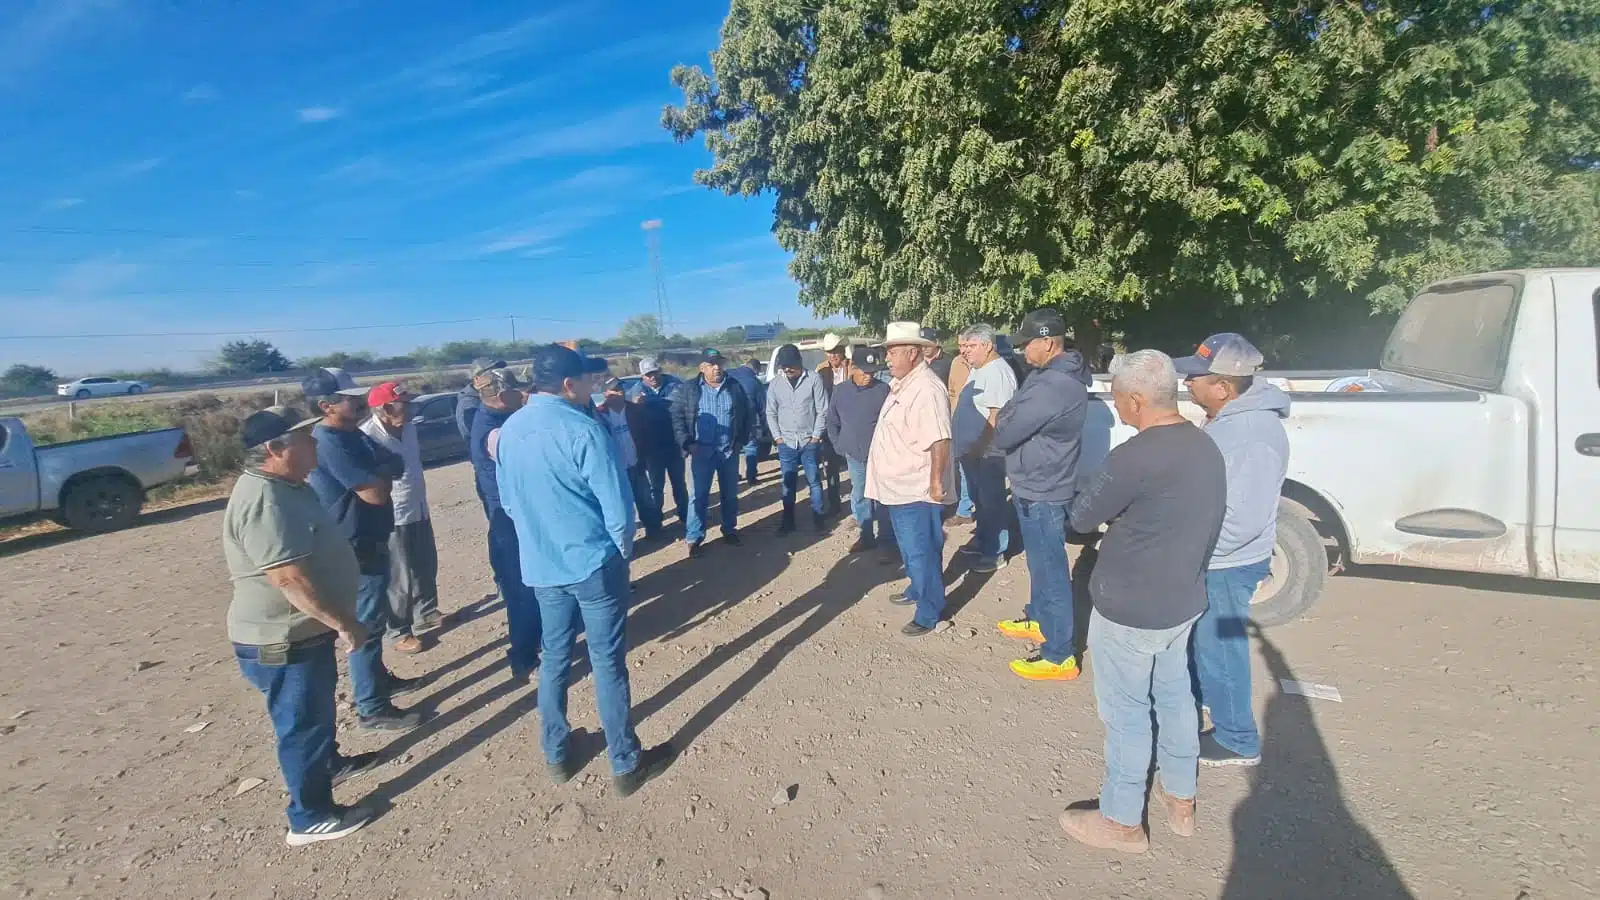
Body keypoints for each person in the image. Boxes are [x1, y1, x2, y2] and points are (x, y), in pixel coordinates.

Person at [1061, 350, 1226, 853]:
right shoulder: (1205, 447)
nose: (1116, 409)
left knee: (1128, 713)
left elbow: (1081, 519)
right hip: (1181, 599)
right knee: (1175, 697)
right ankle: (1181, 799)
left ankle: (1122, 820)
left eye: (1116, 398)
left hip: (1131, 605)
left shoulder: (1134, 456)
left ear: (1136, 398)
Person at [496, 344, 677, 796]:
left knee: (555, 658)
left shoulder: (509, 430)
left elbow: (508, 503)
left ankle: (557, 753)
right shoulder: (582, 428)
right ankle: (625, 762)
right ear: (567, 384)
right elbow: (618, 506)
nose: (593, 386)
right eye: (587, 380)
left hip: (542, 567)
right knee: (607, 663)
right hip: (592, 563)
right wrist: (621, 554)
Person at [224, 406, 381, 846]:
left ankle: (328, 762)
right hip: (281, 639)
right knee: (300, 724)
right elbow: (287, 577)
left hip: (303, 633)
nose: (315, 444)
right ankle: (308, 816)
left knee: (316, 711)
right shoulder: (265, 499)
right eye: (305, 439)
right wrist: (344, 623)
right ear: (275, 449)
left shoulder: (287, 485)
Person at [1174, 333, 1290, 768]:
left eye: (1195, 377)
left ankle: (1237, 739)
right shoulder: (1229, 418)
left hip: (1226, 562)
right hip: (1215, 558)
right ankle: (1208, 705)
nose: (1187, 383)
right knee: (1207, 646)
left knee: (1220, 648)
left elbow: (1242, 518)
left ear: (1222, 386)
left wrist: (1196, 553)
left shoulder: (1252, 435)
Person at [301, 368, 423, 732]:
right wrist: (380, 472)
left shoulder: (352, 434)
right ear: (325, 405)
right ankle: (371, 707)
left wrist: (380, 470)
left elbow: (395, 463)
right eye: (347, 398)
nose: (356, 402)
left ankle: (378, 681)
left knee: (375, 618)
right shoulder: (329, 442)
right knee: (365, 625)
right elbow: (374, 492)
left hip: (372, 536)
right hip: (352, 544)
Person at [989, 310, 1093, 682]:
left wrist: (1003, 418)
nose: (1022, 351)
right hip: (1034, 483)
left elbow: (1004, 430)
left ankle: (1059, 653)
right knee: (1039, 563)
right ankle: (1039, 619)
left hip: (1044, 489)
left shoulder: (1054, 385)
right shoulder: (1046, 376)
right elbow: (1013, 418)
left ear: (1048, 343)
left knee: (1051, 569)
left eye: (1027, 344)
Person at [867, 322, 955, 637]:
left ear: (912, 352)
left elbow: (939, 440)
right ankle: (918, 589)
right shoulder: (904, 383)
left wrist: (935, 483)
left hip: (915, 488)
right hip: (897, 488)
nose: (887, 357)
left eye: (892, 351)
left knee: (922, 551)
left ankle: (929, 611)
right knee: (910, 549)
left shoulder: (927, 388)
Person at [467, 366, 542, 684]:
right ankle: (524, 657)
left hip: (515, 512)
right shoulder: (491, 430)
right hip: (509, 518)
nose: (523, 394)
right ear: (500, 396)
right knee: (520, 590)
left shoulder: (500, 419)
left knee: (532, 585)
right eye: (517, 390)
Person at [359, 381, 439, 654]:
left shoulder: (410, 428)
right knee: (400, 575)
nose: (411, 407)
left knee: (426, 563)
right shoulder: (366, 436)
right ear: (384, 409)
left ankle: (426, 613)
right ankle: (399, 630)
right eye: (405, 404)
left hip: (417, 505)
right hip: (393, 514)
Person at [671, 348, 753, 558]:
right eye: (711, 364)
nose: (717, 368)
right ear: (702, 368)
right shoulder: (689, 389)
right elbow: (678, 419)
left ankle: (729, 530)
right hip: (701, 452)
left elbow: (746, 415)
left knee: (730, 494)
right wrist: (687, 444)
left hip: (728, 451)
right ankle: (695, 537)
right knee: (698, 496)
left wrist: (740, 441)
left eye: (719, 363)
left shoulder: (734, 387)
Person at [953, 324, 1019, 573]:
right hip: (973, 452)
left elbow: (996, 416)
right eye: (965, 346)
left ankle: (996, 552)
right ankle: (983, 541)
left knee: (992, 502)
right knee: (980, 500)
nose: (965, 351)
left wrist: (979, 447)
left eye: (971, 346)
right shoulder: (979, 369)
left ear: (988, 345)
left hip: (988, 452)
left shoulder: (997, 372)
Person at [826, 345, 893, 558]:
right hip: (854, 455)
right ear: (853, 368)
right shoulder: (841, 391)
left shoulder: (883, 390)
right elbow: (832, 421)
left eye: (872, 372)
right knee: (861, 495)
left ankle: (886, 542)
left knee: (883, 499)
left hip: (881, 455)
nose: (868, 377)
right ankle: (866, 537)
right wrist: (839, 445)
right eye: (864, 372)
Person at [767, 343, 831, 533]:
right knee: (788, 484)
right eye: (784, 366)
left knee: (814, 481)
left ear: (799, 362)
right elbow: (770, 413)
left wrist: (815, 436)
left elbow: (823, 409)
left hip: (808, 441)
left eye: (791, 366)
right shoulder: (775, 384)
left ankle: (819, 519)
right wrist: (778, 438)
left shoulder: (813, 379)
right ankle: (788, 522)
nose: (788, 369)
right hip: (786, 442)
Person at [598, 375, 664, 540]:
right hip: (616, 469)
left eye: (621, 389)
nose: (619, 393)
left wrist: (647, 456)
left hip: (636, 463)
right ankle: (626, 538)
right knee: (622, 506)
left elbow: (646, 434)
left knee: (645, 499)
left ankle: (654, 530)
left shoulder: (635, 410)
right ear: (605, 393)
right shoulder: (600, 415)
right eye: (614, 390)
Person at [629, 358, 690, 528]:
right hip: (652, 448)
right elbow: (631, 414)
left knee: (679, 483)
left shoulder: (674, 384)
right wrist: (636, 406)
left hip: (674, 444)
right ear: (642, 377)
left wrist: (648, 403)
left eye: (655, 372)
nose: (653, 377)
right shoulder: (636, 390)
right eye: (648, 375)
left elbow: (677, 404)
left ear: (660, 370)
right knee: (656, 486)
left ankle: (685, 516)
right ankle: (657, 521)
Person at [940, 334, 975, 522]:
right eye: (960, 345)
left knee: (972, 469)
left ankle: (966, 508)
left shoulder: (986, 366)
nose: (963, 349)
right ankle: (958, 503)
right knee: (956, 465)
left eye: (967, 345)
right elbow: (951, 391)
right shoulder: (956, 363)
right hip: (956, 421)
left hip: (977, 424)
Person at [815, 333, 848, 513]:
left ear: (842, 351)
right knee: (831, 466)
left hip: (850, 423)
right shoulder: (820, 370)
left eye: (836, 351)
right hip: (830, 424)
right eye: (829, 352)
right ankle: (834, 503)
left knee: (855, 463)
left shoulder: (853, 368)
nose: (833, 355)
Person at [725, 354, 768, 485]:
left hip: (729, 419)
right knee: (751, 448)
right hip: (749, 421)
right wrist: (765, 426)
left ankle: (732, 475)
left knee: (732, 449)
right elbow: (763, 407)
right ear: (756, 370)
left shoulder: (728, 374)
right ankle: (751, 477)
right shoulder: (755, 382)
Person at [455, 357, 506, 440]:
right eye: (491, 372)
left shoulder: (498, 395)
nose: (496, 376)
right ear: (477, 378)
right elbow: (478, 436)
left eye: (497, 371)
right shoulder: (468, 404)